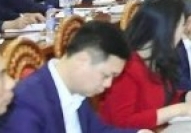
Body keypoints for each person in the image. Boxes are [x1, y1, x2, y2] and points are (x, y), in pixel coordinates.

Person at [98, 0, 191, 129]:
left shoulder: (158, 59)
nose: (183, 33)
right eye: (181, 26)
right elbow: (122, 123)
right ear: (166, 30)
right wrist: (177, 110)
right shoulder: (125, 67)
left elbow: (170, 97)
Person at [4, 21, 150, 133]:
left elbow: (98, 131)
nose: (108, 84)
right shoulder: (27, 103)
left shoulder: (76, 88)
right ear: (83, 60)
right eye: (106, 75)